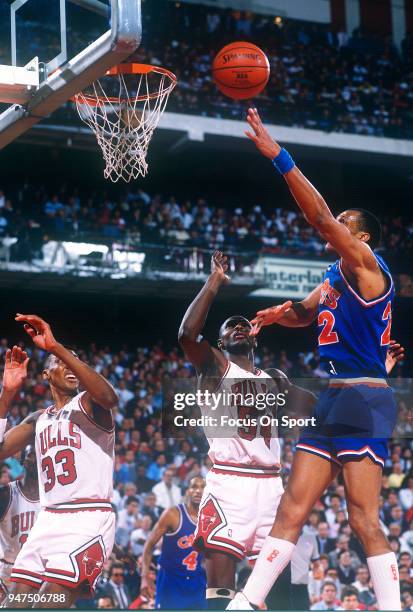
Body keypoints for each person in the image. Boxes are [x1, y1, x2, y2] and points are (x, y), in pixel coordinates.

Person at [228, 108, 404, 611]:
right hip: (333, 398)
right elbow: (307, 314)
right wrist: (279, 314)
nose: (334, 230)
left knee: (361, 518)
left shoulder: (369, 267)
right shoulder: (334, 275)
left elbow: (320, 217)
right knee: (293, 506)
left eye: (345, 227)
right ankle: (248, 601)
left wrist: (279, 157)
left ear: (361, 237)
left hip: (365, 398)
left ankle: (392, 607)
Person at [178, 251, 309, 610]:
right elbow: (187, 334)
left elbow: (321, 408)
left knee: (277, 580)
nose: (237, 327)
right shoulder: (215, 369)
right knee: (221, 578)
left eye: (242, 324)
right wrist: (214, 282)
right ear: (221, 343)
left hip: (271, 484)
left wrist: (378, 371)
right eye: (229, 327)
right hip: (230, 482)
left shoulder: (275, 379)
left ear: (255, 335)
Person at [0, 315, 118, 608]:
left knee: (48, 605)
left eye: (74, 361)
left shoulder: (90, 404)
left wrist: (56, 348)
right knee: (14, 606)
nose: (69, 366)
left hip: (88, 518)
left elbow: (110, 397)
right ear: (46, 375)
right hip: (47, 518)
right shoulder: (39, 419)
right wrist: (8, 394)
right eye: (60, 363)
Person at [0, 347, 41, 603]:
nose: (38, 454)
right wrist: (8, 395)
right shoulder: (6, 494)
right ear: (21, 457)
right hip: (7, 577)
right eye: (31, 450)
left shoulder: (58, 498)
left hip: (43, 579)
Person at [140, 476, 206, 610]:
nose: (198, 491)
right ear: (187, 491)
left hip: (196, 580)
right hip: (171, 580)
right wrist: (144, 577)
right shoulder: (173, 514)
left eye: (203, 487)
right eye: (194, 487)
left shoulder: (209, 519)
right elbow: (149, 544)